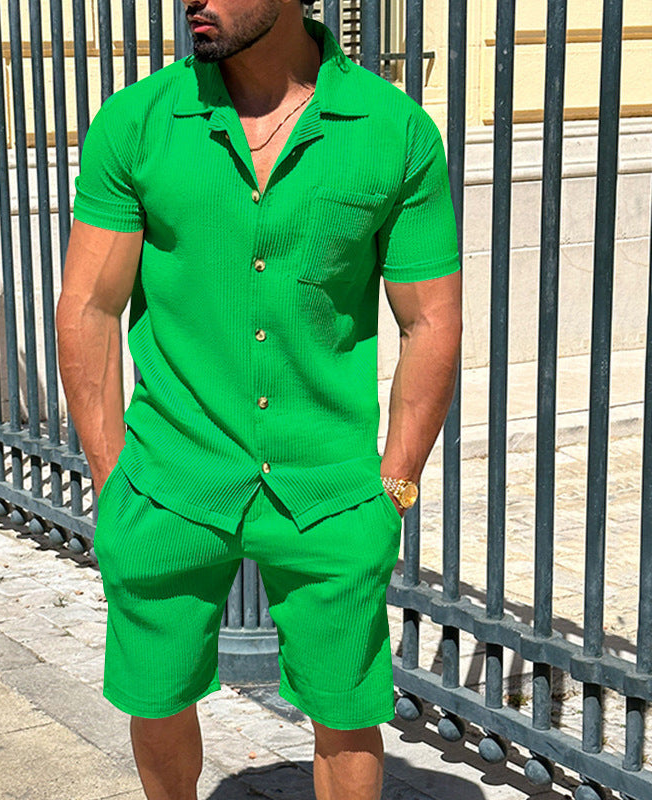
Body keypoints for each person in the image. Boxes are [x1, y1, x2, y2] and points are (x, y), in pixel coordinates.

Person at [55, 1, 462, 797]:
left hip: (331, 485)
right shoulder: (137, 123)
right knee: (156, 695)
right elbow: (90, 308)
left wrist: (395, 486)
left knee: (347, 709)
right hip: (168, 478)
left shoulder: (394, 130)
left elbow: (431, 321)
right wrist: (113, 481)